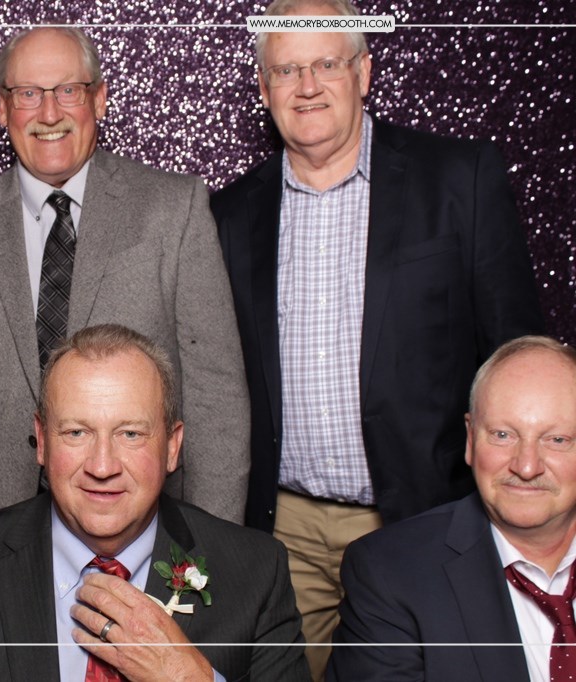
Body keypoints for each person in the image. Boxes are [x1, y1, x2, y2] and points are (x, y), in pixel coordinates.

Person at [209, 0, 544, 674]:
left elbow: (521, 359)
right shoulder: (229, 213)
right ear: (264, 88)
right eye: (287, 70)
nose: (307, 86)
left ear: (363, 71)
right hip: (286, 531)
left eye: (327, 64)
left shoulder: (459, 180)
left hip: (425, 517)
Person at [0, 26, 250, 532]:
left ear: (99, 99)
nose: (49, 113)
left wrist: (208, 551)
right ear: (3, 108)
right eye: (28, 94)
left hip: (150, 534)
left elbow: (216, 397)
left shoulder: (174, 210)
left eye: (68, 90)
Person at [0, 324, 307, 681]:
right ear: (42, 441)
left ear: (172, 446)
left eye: (130, 434)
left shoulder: (256, 573)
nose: (101, 466)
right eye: (76, 433)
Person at [329, 336, 576, 681]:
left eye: (557, 440)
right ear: (471, 439)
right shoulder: (389, 573)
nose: (526, 466)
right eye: (502, 435)